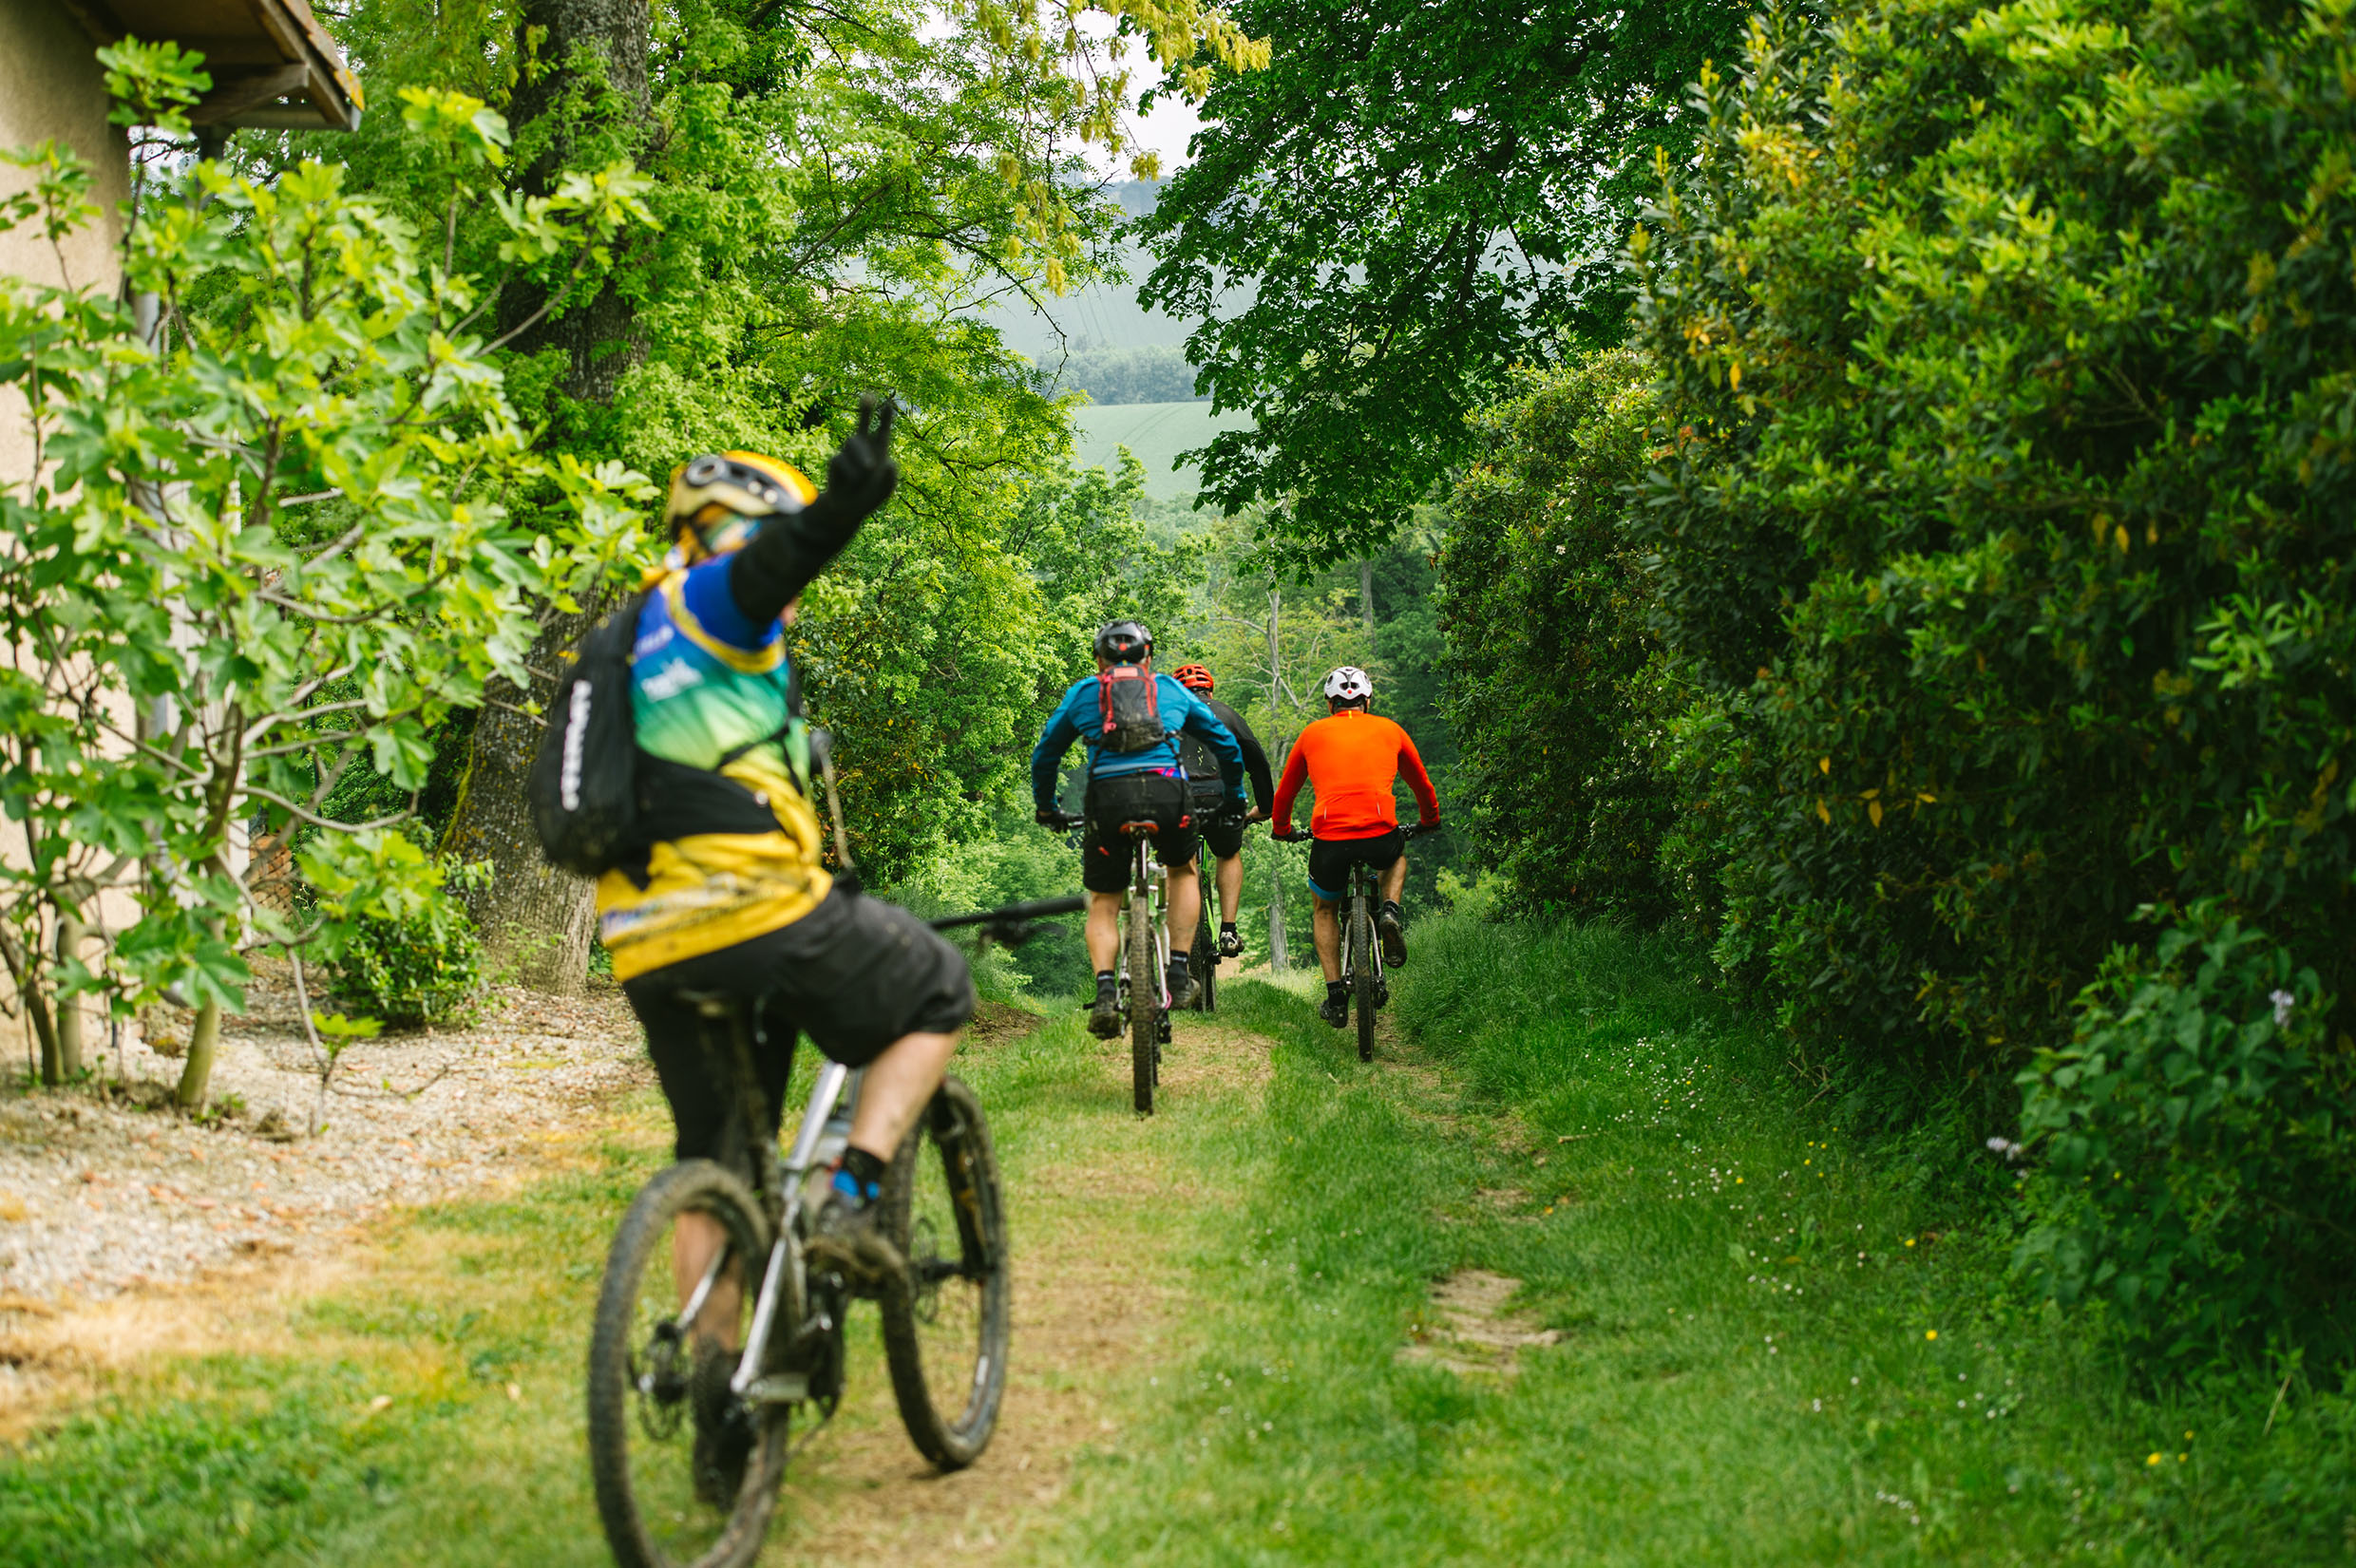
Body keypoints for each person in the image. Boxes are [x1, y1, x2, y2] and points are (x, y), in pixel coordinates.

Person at [595, 403, 973, 1497]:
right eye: (775, 542)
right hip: (748, 907)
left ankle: (722, 1416)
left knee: (715, 1166)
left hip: (646, 937)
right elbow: (774, 565)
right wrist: (846, 499)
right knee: (934, 989)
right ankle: (855, 1191)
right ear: (733, 534)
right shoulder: (712, 599)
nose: (787, 574)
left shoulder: (627, 635)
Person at [1031, 623, 1247, 1035]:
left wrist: (1047, 807)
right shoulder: (1167, 688)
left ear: (1099, 659)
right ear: (1147, 657)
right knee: (1183, 870)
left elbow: (1046, 754)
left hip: (1108, 800)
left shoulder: (1084, 693)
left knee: (1104, 900)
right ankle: (1181, 972)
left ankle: (1107, 991)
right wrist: (1234, 795)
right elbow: (1224, 743)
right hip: (1168, 796)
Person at [1267, 666, 1441, 1029]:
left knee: (1324, 910)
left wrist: (1282, 829)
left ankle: (1335, 997)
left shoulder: (1312, 733)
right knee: (1395, 857)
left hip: (1330, 839)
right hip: (1379, 833)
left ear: (1330, 703)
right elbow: (1422, 784)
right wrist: (1429, 820)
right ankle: (1390, 911)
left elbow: (1285, 793)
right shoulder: (1391, 730)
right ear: (1368, 699)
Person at [1168, 663, 1274, 957]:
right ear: (1210, 690)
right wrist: (1265, 808)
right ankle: (1228, 930)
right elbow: (1258, 764)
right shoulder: (1227, 714)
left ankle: (1176, 934)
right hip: (1222, 801)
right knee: (1228, 854)